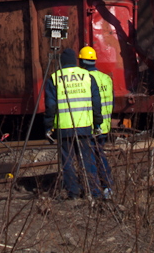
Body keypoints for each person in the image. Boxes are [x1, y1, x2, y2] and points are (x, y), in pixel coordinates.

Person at [44, 47, 102, 200]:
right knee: (87, 160)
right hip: (84, 126)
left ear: (61, 63)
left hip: (64, 128)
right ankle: (94, 191)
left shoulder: (55, 78)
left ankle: (73, 193)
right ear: (76, 61)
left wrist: (48, 126)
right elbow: (96, 102)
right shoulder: (87, 76)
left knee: (67, 162)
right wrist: (97, 123)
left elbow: (50, 106)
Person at [78, 45, 114, 197]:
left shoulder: (86, 80)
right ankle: (108, 185)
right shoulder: (106, 78)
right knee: (100, 153)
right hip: (105, 126)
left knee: (91, 157)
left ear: (82, 62)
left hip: (92, 125)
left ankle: (94, 189)